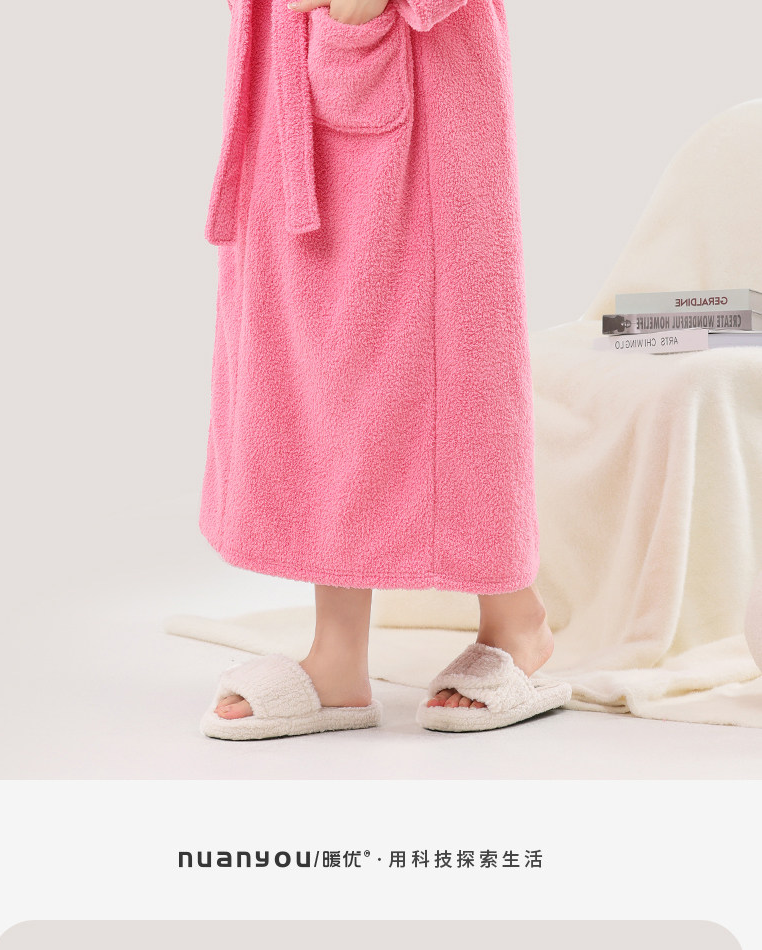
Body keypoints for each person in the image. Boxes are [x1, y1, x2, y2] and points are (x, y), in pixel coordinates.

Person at [198, 0, 571, 740]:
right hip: (293, 56)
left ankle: (514, 619)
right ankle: (337, 656)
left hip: (418, 56)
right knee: (319, 352)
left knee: (452, 348)